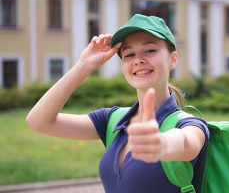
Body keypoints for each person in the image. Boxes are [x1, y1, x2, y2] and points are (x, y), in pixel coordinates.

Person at [26, 14, 209, 193]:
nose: (138, 60)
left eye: (150, 50)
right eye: (129, 54)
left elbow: (187, 143)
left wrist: (161, 143)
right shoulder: (113, 121)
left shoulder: (190, 124)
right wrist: (84, 66)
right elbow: (39, 121)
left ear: (173, 59)